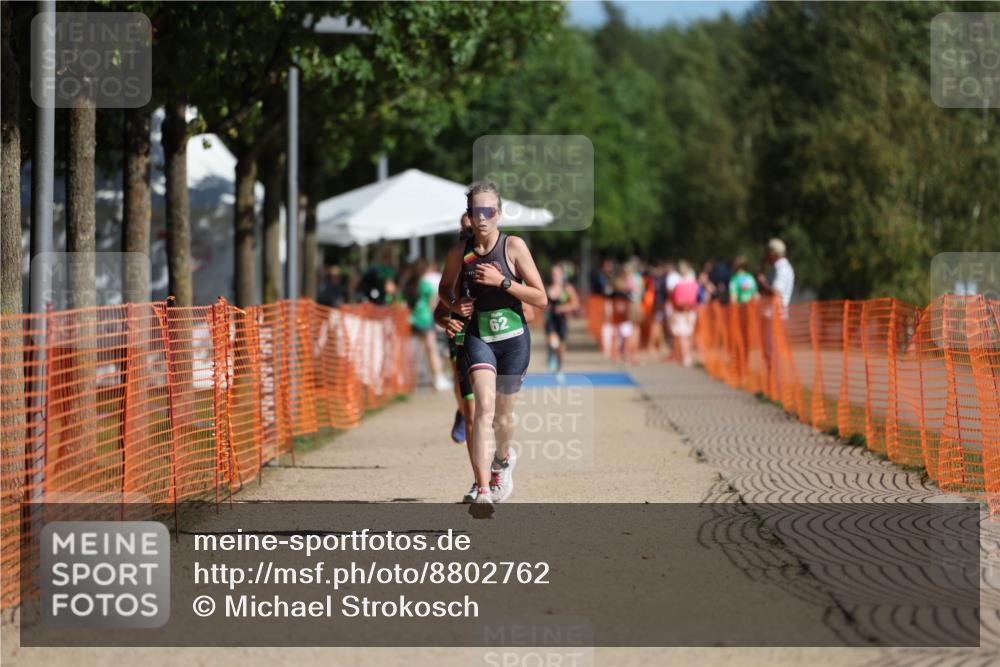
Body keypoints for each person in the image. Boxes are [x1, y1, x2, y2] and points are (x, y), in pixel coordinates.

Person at [439, 182, 547, 516]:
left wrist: (503, 283)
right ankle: (483, 490)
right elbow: (444, 289)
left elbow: (541, 298)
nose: (482, 217)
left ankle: (503, 460)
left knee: (503, 417)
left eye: (488, 211)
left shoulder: (513, 246)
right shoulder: (460, 252)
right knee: (482, 409)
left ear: (498, 213)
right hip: (479, 337)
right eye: (476, 211)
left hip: (514, 340)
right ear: (469, 215)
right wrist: (457, 305)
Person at [405, 259, 452, 392]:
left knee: (418, 351)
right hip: (425, 319)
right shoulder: (425, 284)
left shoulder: (409, 283)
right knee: (432, 350)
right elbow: (433, 303)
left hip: (413, 319)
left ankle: (413, 380)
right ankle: (437, 378)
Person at [544, 263, 580, 380]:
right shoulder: (548, 288)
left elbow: (575, 304)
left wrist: (563, 308)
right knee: (553, 342)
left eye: (557, 274)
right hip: (550, 320)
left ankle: (559, 369)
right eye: (553, 274)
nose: (554, 276)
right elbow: (542, 303)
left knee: (561, 349)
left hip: (562, 320)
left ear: (562, 275)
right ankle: (551, 355)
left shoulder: (567, 288)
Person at [668, 260, 699, 367]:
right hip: (691, 312)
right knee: (689, 335)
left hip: (681, 312)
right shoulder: (694, 284)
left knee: (683, 336)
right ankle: (688, 356)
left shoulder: (678, 285)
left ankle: (685, 357)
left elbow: (675, 301)